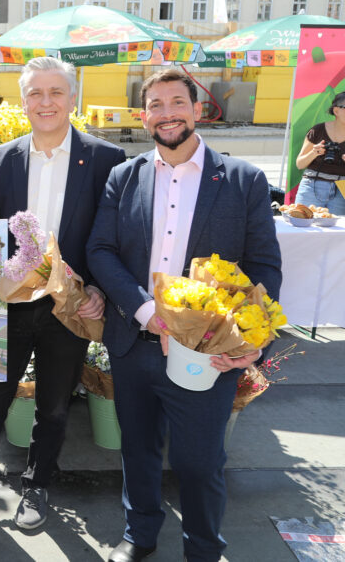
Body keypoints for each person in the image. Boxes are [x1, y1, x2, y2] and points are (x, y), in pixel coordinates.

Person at [0, 57, 125, 530]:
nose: (46, 102)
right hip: (11, 303)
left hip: (69, 306)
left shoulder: (105, 159)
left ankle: (38, 487)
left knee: (54, 406)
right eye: (36, 93)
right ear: (23, 100)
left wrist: (96, 287)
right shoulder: (3, 157)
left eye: (56, 92)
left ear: (72, 97)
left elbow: (109, 237)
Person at [86, 69, 282, 562]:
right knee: (138, 451)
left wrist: (253, 339)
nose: (167, 113)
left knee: (199, 463)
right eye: (156, 104)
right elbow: (102, 250)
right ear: (143, 114)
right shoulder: (123, 176)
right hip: (136, 344)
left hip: (206, 356)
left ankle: (203, 549)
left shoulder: (243, 180)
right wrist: (147, 311)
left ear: (198, 110)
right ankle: (140, 535)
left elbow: (263, 267)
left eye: (177, 102)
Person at [294, 90, 345, 215]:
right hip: (312, 184)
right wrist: (314, 153)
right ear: (336, 111)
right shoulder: (318, 130)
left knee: (335, 232)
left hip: (342, 188)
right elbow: (300, 164)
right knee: (303, 226)